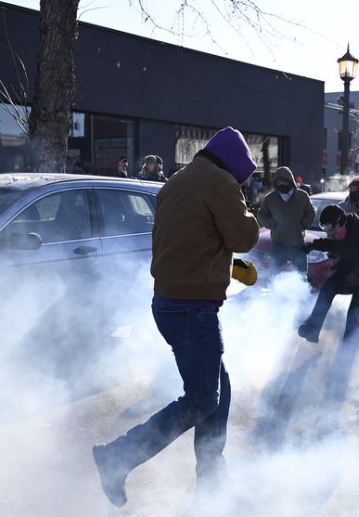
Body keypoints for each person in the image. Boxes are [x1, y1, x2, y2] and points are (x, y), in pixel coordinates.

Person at [92, 126, 260, 508]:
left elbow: (188, 239)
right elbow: (243, 237)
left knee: (219, 388)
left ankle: (213, 477)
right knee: (202, 400)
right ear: (235, 164)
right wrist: (246, 207)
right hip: (193, 307)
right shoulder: (221, 185)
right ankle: (119, 456)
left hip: (168, 301)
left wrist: (223, 266)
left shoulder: (177, 181)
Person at [298, 204, 359, 345]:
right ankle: (313, 330)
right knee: (328, 287)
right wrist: (312, 245)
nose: (328, 232)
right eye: (325, 228)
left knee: (354, 317)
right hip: (350, 273)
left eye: (330, 228)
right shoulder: (341, 232)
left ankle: (347, 355)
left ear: (339, 221)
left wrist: (358, 273)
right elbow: (333, 244)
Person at [256, 166, 316, 274]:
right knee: (276, 274)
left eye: (283, 182)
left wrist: (303, 224)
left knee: (301, 274)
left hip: (298, 243)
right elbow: (261, 214)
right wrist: (271, 224)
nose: (281, 185)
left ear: (290, 181)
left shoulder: (302, 196)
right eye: (278, 182)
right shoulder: (270, 198)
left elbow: (311, 212)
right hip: (279, 243)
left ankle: (300, 291)